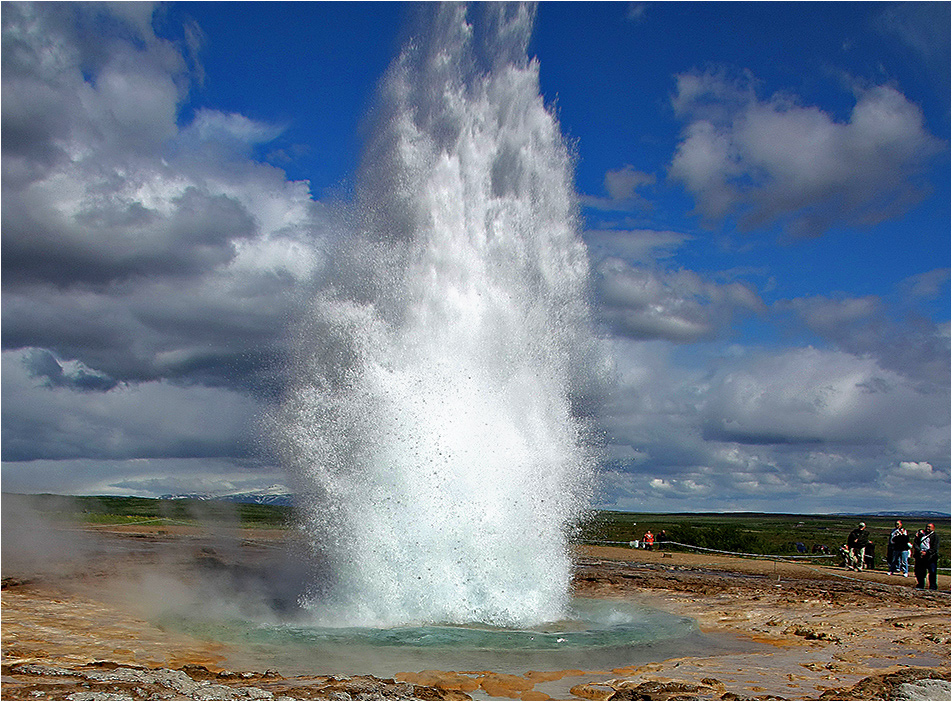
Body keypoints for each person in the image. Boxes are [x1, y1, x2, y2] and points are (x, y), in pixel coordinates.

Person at [913, 524, 939, 590]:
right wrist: (919, 551)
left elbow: (935, 548)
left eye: (929, 527)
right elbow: (915, 543)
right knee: (919, 572)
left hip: (931, 557)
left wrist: (927, 552)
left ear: (933, 528)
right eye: (927, 527)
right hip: (920, 556)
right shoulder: (921, 535)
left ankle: (933, 587)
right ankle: (920, 585)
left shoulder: (935, 536)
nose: (927, 528)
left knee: (932, 572)